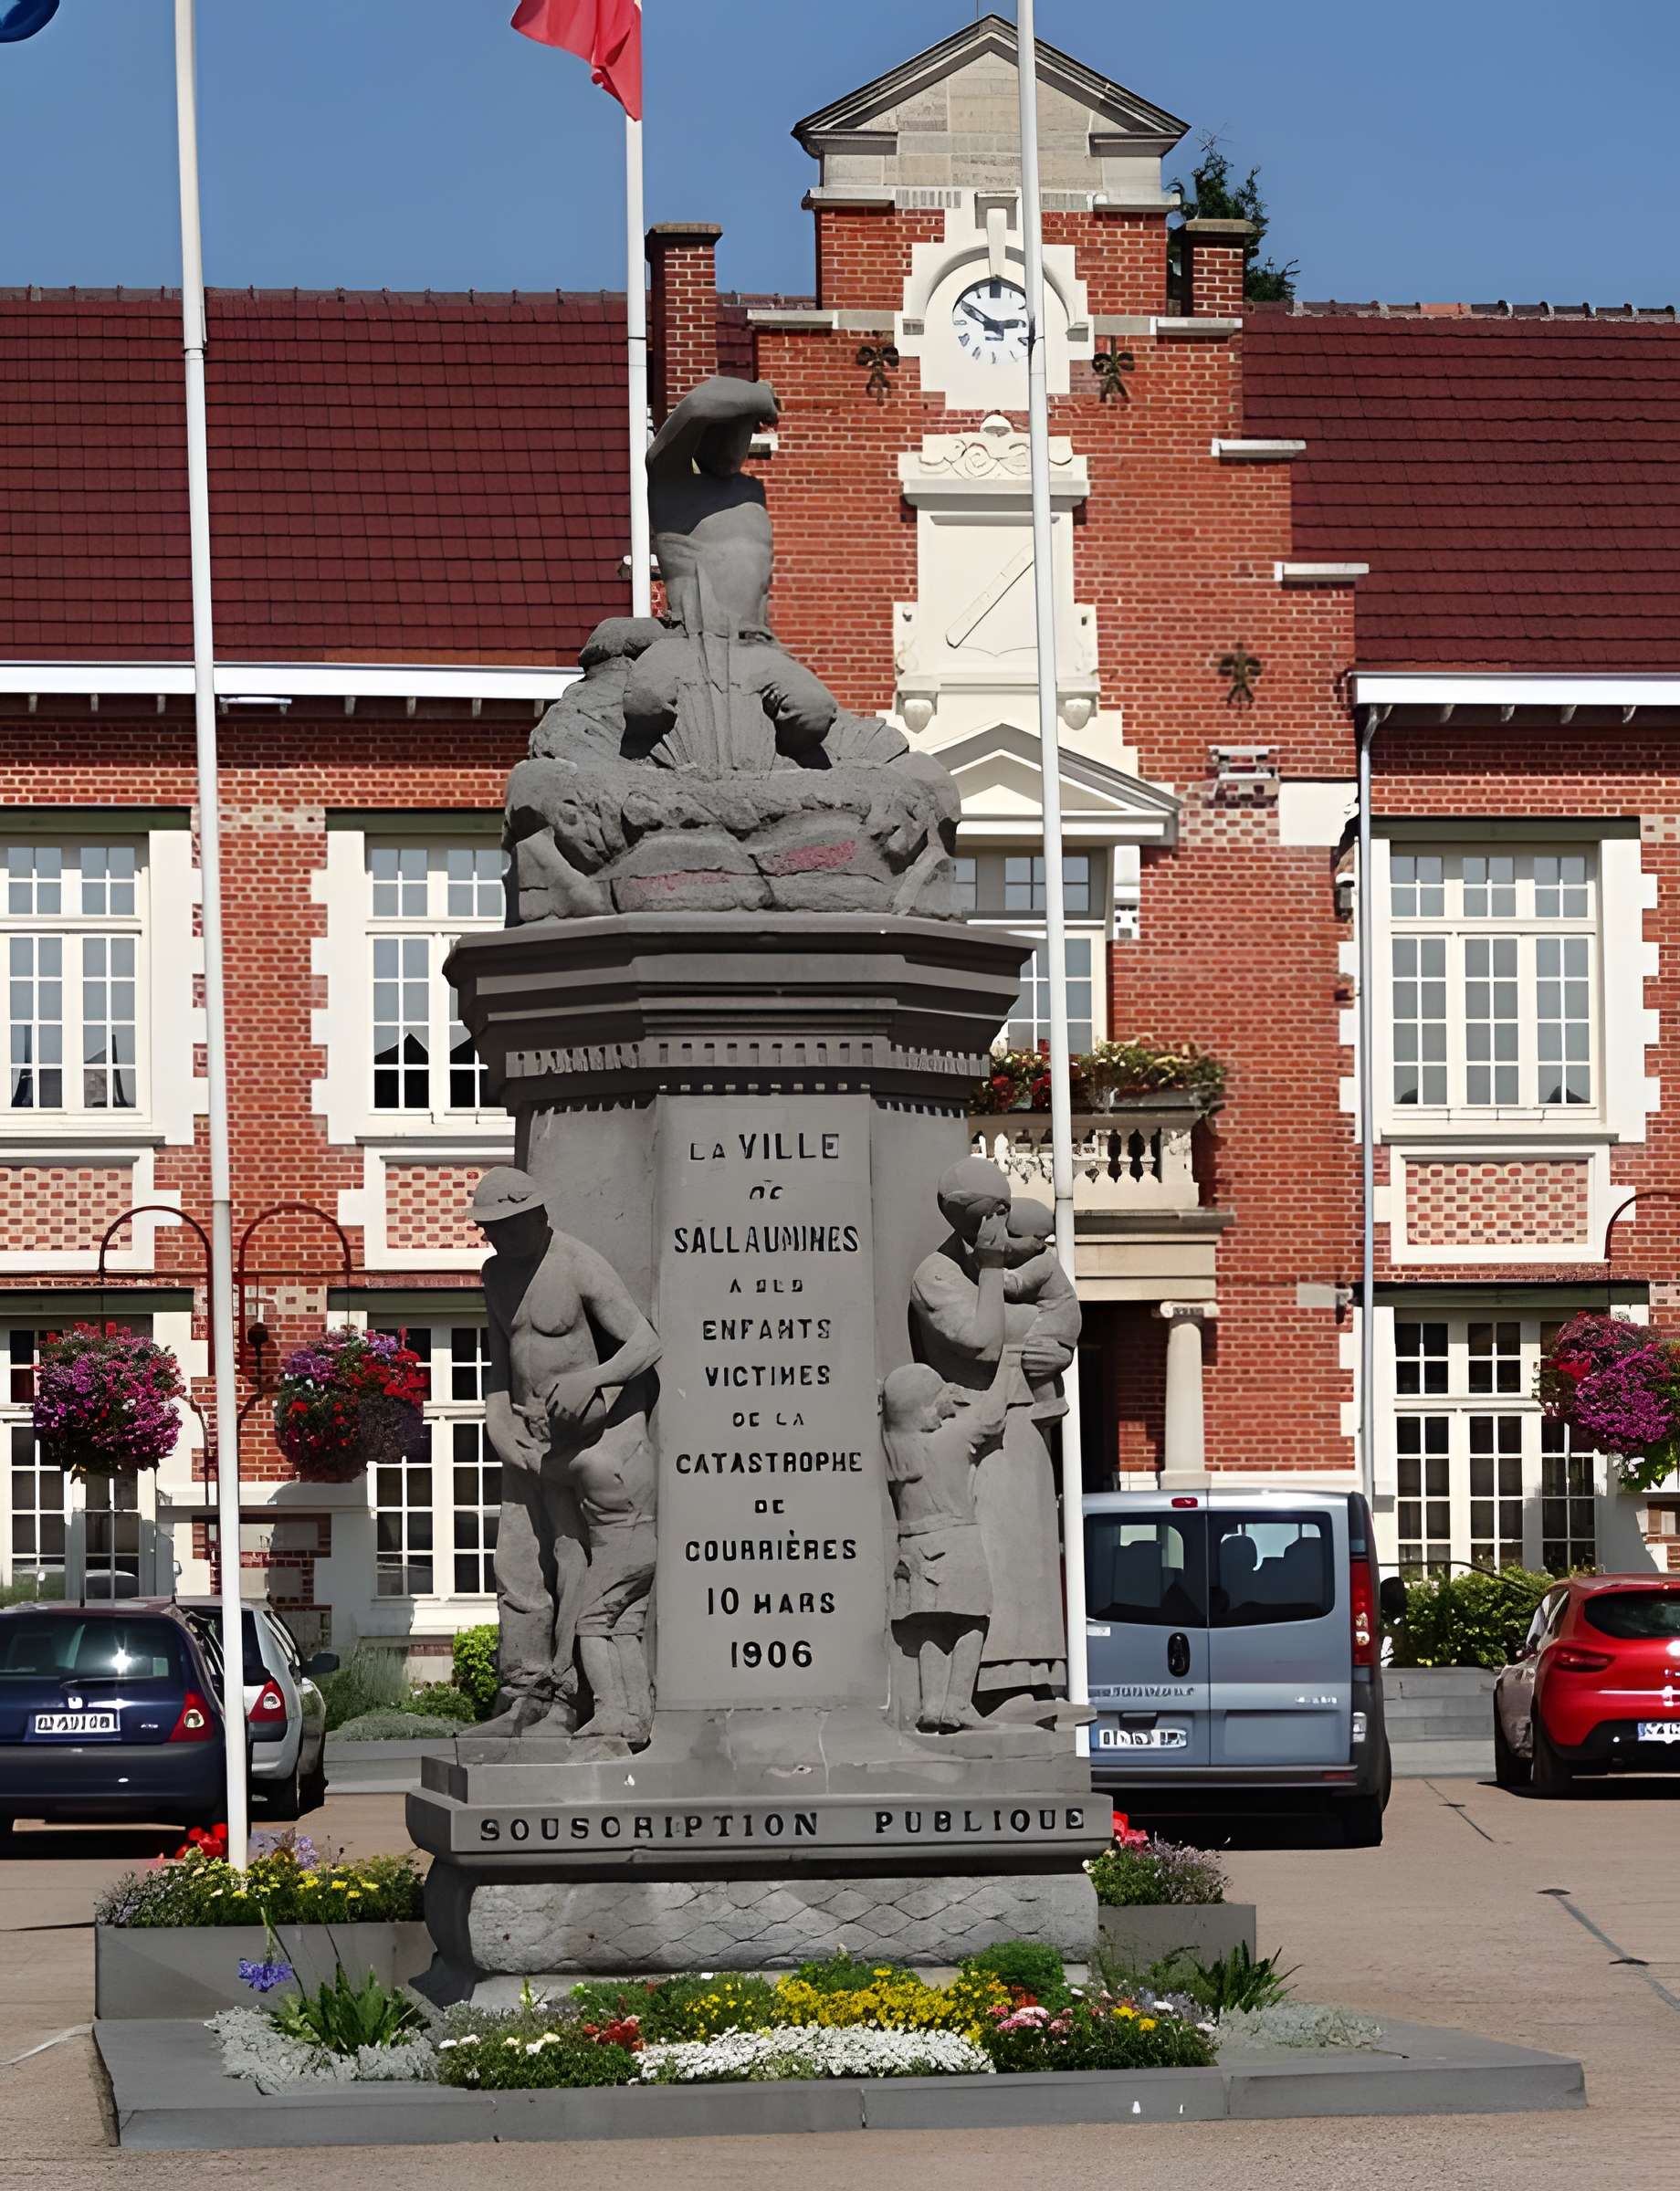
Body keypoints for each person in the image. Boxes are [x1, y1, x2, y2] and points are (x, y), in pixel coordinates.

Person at [471, 1168, 662, 1739]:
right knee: (516, 1568)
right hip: (523, 1443)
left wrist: (592, 1381)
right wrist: (499, 1426)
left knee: (573, 1561)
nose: (494, 1238)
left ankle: (566, 1698)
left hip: (578, 1442)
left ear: (536, 1215)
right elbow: (500, 1367)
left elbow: (646, 1342)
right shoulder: (495, 1275)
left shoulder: (577, 1263)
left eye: (504, 1226)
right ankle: (521, 1696)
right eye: (488, 1229)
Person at [623, 376, 844, 771]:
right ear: (703, 438)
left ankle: (782, 773)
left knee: (814, 713)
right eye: (724, 434)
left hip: (757, 649)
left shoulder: (751, 493)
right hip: (690, 642)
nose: (733, 447)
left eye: (742, 436)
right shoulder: (671, 483)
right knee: (646, 704)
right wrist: (762, 398)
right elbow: (696, 407)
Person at [882, 1363, 1003, 1732]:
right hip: (955, 1540)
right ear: (922, 1410)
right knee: (973, 1619)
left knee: (931, 1622)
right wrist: (1006, 1367)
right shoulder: (948, 1441)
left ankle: (931, 1704)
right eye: (935, 1402)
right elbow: (993, 1419)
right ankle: (958, 1704)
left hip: (913, 1545)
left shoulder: (894, 1447)